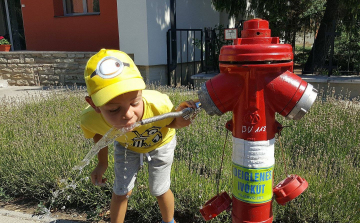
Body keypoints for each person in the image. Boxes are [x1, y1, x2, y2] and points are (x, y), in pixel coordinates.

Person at [80, 49, 197, 223]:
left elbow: (171, 123)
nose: (128, 114)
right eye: (114, 109)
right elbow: (100, 135)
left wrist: (181, 121)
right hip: (127, 146)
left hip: (160, 143)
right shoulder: (90, 119)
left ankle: (169, 221)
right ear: (94, 105)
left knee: (159, 189)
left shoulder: (159, 104)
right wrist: (102, 163)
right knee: (121, 191)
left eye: (135, 102)